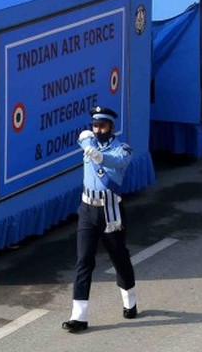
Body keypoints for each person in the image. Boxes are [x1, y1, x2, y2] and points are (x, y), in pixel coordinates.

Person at [62, 105, 138, 334]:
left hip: (110, 211)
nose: (98, 129)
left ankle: (130, 301)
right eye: (95, 125)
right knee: (84, 261)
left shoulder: (123, 149)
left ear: (111, 127)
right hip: (87, 210)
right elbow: (83, 137)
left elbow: (117, 163)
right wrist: (90, 145)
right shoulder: (88, 139)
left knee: (119, 258)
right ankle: (79, 317)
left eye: (102, 125)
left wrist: (99, 156)